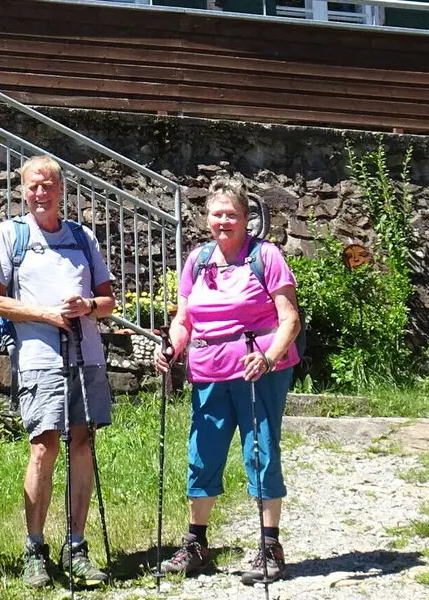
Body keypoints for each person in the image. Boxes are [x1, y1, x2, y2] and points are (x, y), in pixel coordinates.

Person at [152, 180, 300, 585]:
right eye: (216, 214)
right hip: (208, 371)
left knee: (261, 452)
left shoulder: (265, 257)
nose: (223, 221)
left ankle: (270, 547)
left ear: (245, 218)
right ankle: (196, 545)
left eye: (231, 214)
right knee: (202, 454)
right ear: (207, 217)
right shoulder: (198, 260)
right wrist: (171, 349)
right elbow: (184, 320)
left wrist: (269, 358)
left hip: (259, 372)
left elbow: (290, 319)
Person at [0, 156, 117, 589]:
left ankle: (76, 547)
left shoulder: (83, 237)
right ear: (23, 190)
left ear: (62, 189)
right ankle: (35, 548)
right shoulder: (10, 234)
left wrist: (86, 308)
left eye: (50, 186)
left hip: (87, 354)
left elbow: (108, 300)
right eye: (34, 186)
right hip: (40, 358)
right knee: (43, 446)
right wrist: (45, 314)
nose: (42, 193)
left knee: (83, 441)